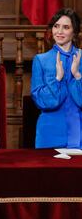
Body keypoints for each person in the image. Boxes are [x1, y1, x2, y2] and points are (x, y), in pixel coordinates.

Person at [31, 8, 82, 149]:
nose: (59, 32)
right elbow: (41, 101)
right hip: (50, 132)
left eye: (66, 27)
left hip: (79, 132)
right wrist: (57, 79)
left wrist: (77, 75)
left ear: (74, 32)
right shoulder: (41, 60)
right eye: (56, 26)